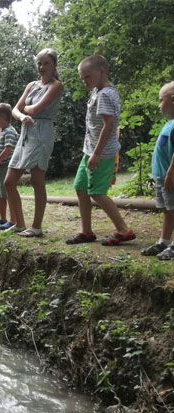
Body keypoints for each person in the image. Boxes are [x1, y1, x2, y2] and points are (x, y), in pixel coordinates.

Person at [66, 54, 135, 246]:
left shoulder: (105, 94)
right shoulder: (99, 91)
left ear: (102, 71)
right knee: (80, 187)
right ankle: (86, 232)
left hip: (101, 153)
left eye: (87, 77)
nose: (84, 82)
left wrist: (97, 153)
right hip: (90, 150)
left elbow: (109, 124)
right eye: (82, 78)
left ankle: (124, 230)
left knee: (97, 192)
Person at [2, 49, 63, 237]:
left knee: (37, 180)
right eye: (39, 63)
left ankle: (36, 227)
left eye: (46, 63)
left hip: (42, 133)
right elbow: (15, 110)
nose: (41, 67)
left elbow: (35, 109)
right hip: (25, 133)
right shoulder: (31, 85)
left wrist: (25, 110)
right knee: (9, 182)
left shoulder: (56, 85)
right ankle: (20, 224)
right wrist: (22, 116)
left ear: (54, 65)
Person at [142, 81, 174, 259]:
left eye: (161, 100)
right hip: (162, 176)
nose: (159, 104)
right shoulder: (169, 123)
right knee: (167, 210)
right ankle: (164, 241)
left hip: (170, 177)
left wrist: (170, 173)